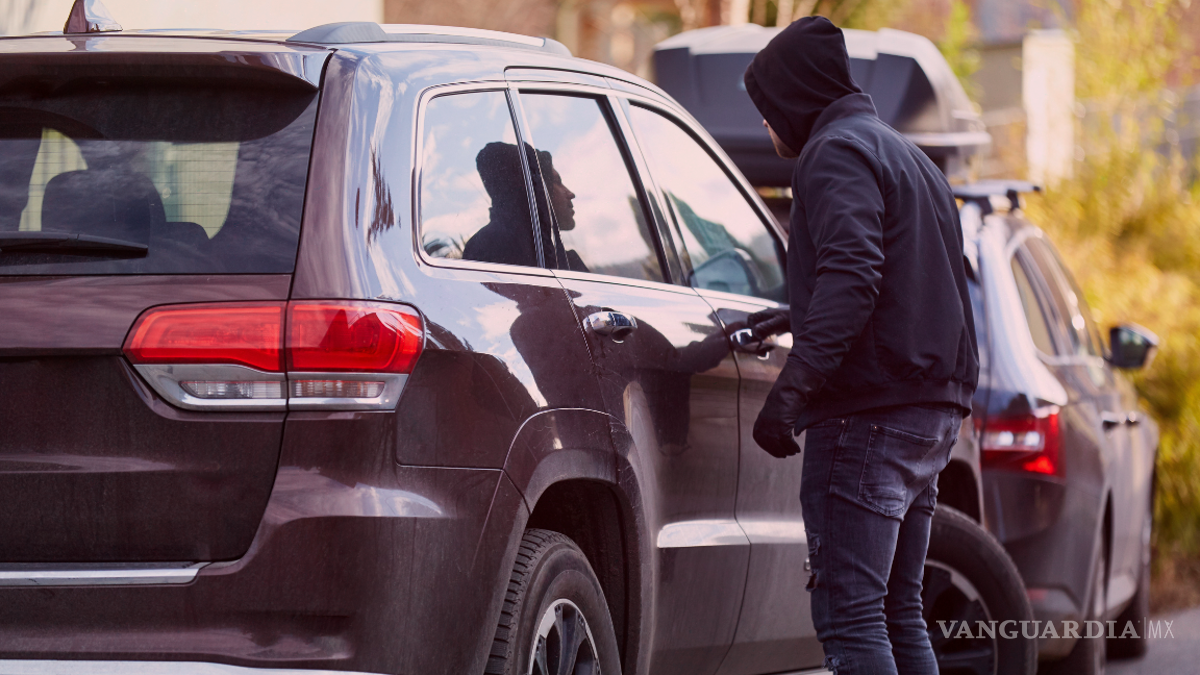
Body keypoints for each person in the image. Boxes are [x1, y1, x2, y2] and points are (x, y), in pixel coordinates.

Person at [742, 16, 979, 675]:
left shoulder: (833, 152)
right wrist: (794, 314)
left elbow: (853, 275)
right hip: (930, 413)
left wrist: (789, 393)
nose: (766, 123)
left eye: (768, 105)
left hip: (867, 417)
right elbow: (907, 282)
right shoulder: (909, 158)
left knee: (851, 619)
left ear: (795, 97)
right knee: (899, 613)